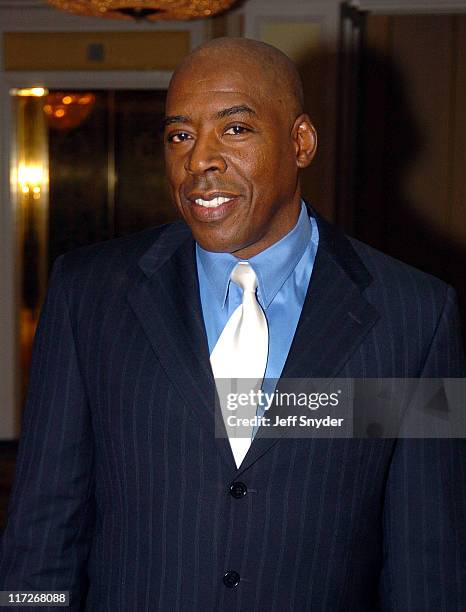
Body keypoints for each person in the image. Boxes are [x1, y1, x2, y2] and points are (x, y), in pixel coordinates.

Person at [0, 37, 465, 611]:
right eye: (180, 135)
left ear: (301, 142)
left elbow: (429, 560)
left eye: (235, 129)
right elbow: (41, 529)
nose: (198, 161)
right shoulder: (88, 294)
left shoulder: (415, 315)